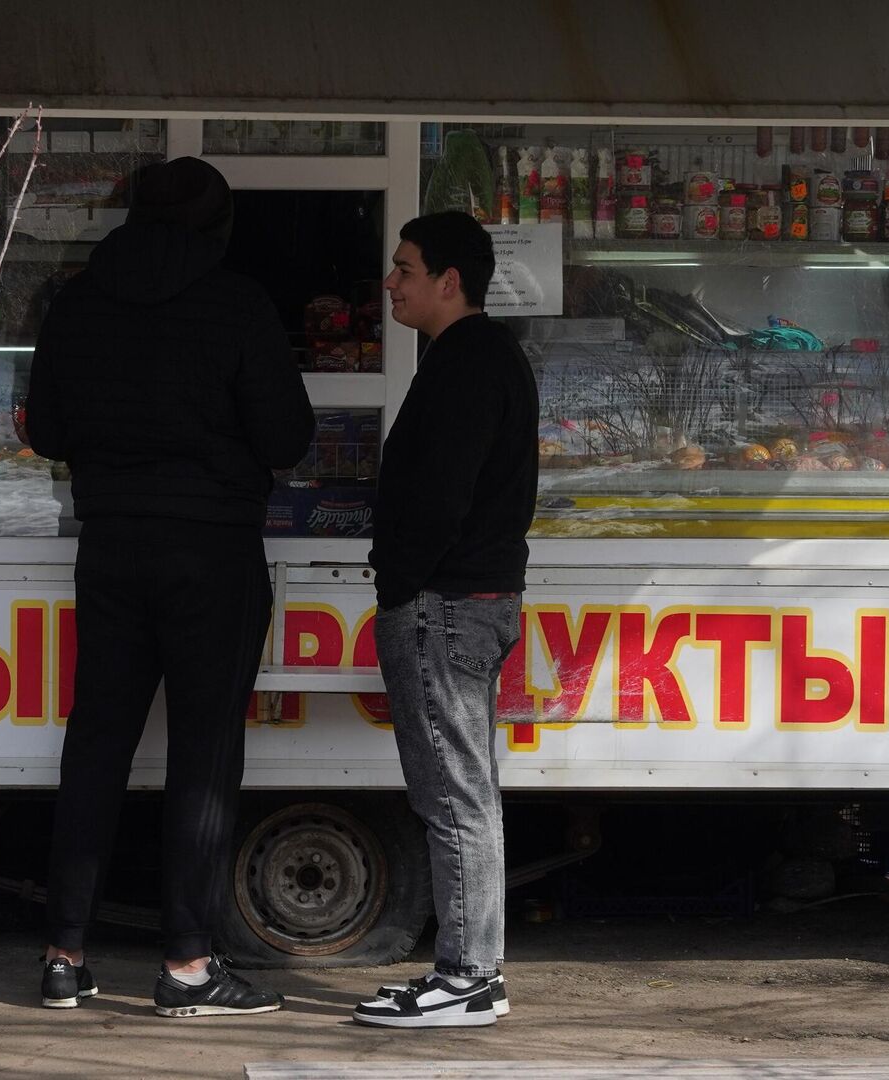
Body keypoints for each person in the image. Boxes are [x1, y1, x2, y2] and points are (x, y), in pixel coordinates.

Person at [23, 157, 314, 1017]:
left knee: (96, 744)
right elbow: (289, 435)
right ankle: (188, 968)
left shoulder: (77, 301)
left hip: (110, 546)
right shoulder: (237, 304)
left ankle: (63, 955)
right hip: (212, 554)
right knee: (204, 756)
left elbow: (45, 429)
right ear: (218, 225)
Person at [351, 212, 537, 1029]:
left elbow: (437, 497)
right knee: (466, 791)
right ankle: (470, 972)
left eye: (404, 268)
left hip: (446, 607)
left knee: (454, 796)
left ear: (448, 280)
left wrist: (402, 585)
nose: (391, 283)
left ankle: (466, 977)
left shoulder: (468, 364)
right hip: (465, 604)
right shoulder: (480, 358)